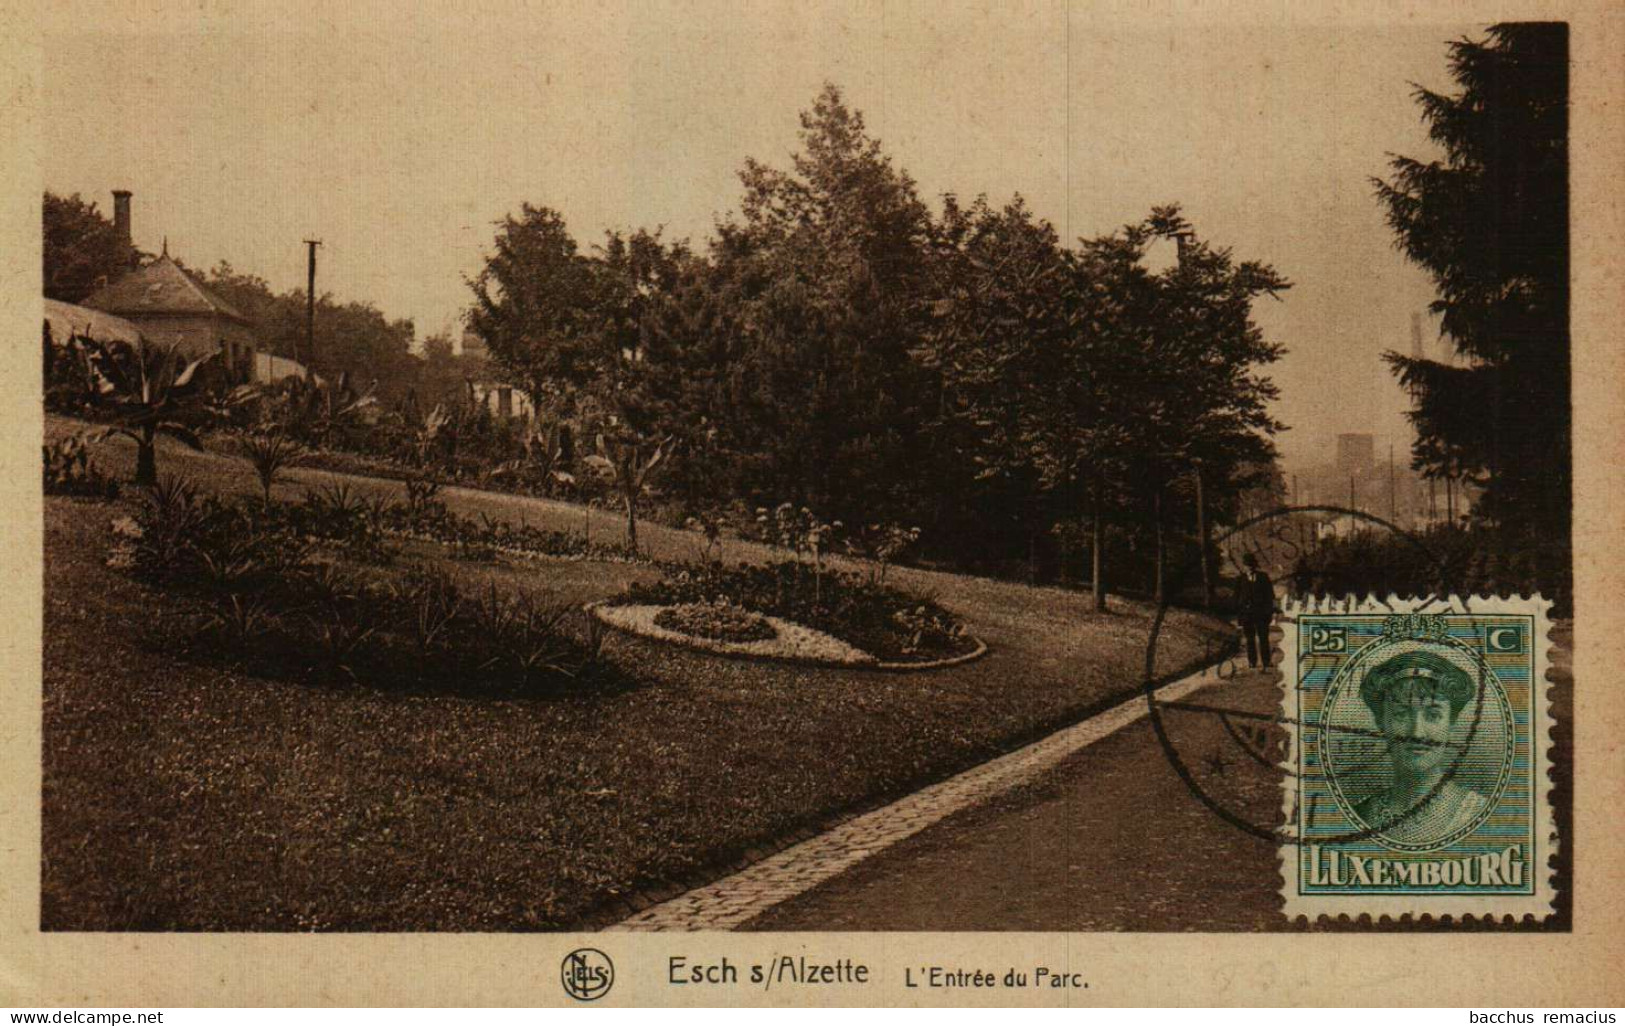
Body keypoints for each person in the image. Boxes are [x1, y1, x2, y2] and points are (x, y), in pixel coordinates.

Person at [1349, 650, 1489, 846]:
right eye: (1401, 714)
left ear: (1451, 723)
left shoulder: (1477, 812)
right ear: (1381, 722)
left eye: (1433, 715)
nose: (1417, 733)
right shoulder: (1360, 814)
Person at [1237, 553, 1275, 670]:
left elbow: (1270, 596)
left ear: (1255, 566)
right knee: (1250, 639)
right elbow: (1236, 599)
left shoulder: (1263, 577)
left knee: (1263, 638)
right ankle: (1252, 662)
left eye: (1251, 565)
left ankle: (1266, 661)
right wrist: (1240, 616)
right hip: (1247, 614)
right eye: (1247, 565)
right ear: (1244, 566)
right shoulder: (1240, 579)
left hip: (1261, 614)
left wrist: (1269, 613)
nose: (1249, 567)